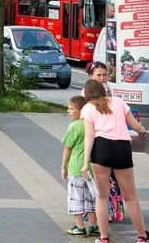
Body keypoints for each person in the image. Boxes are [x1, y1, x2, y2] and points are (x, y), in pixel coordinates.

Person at [81, 79, 148, 243]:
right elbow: (134, 125)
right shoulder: (118, 102)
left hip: (101, 149)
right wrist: (142, 131)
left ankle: (104, 238)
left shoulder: (88, 108)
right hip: (122, 149)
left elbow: (89, 136)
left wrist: (85, 163)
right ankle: (142, 237)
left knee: (102, 196)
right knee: (130, 196)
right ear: (103, 89)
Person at [61, 95, 100, 237]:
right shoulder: (92, 124)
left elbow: (67, 148)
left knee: (75, 198)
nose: (68, 111)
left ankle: (80, 227)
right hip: (89, 168)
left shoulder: (74, 126)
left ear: (81, 110)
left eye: (71, 109)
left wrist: (63, 167)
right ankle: (94, 226)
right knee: (90, 197)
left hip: (76, 168)